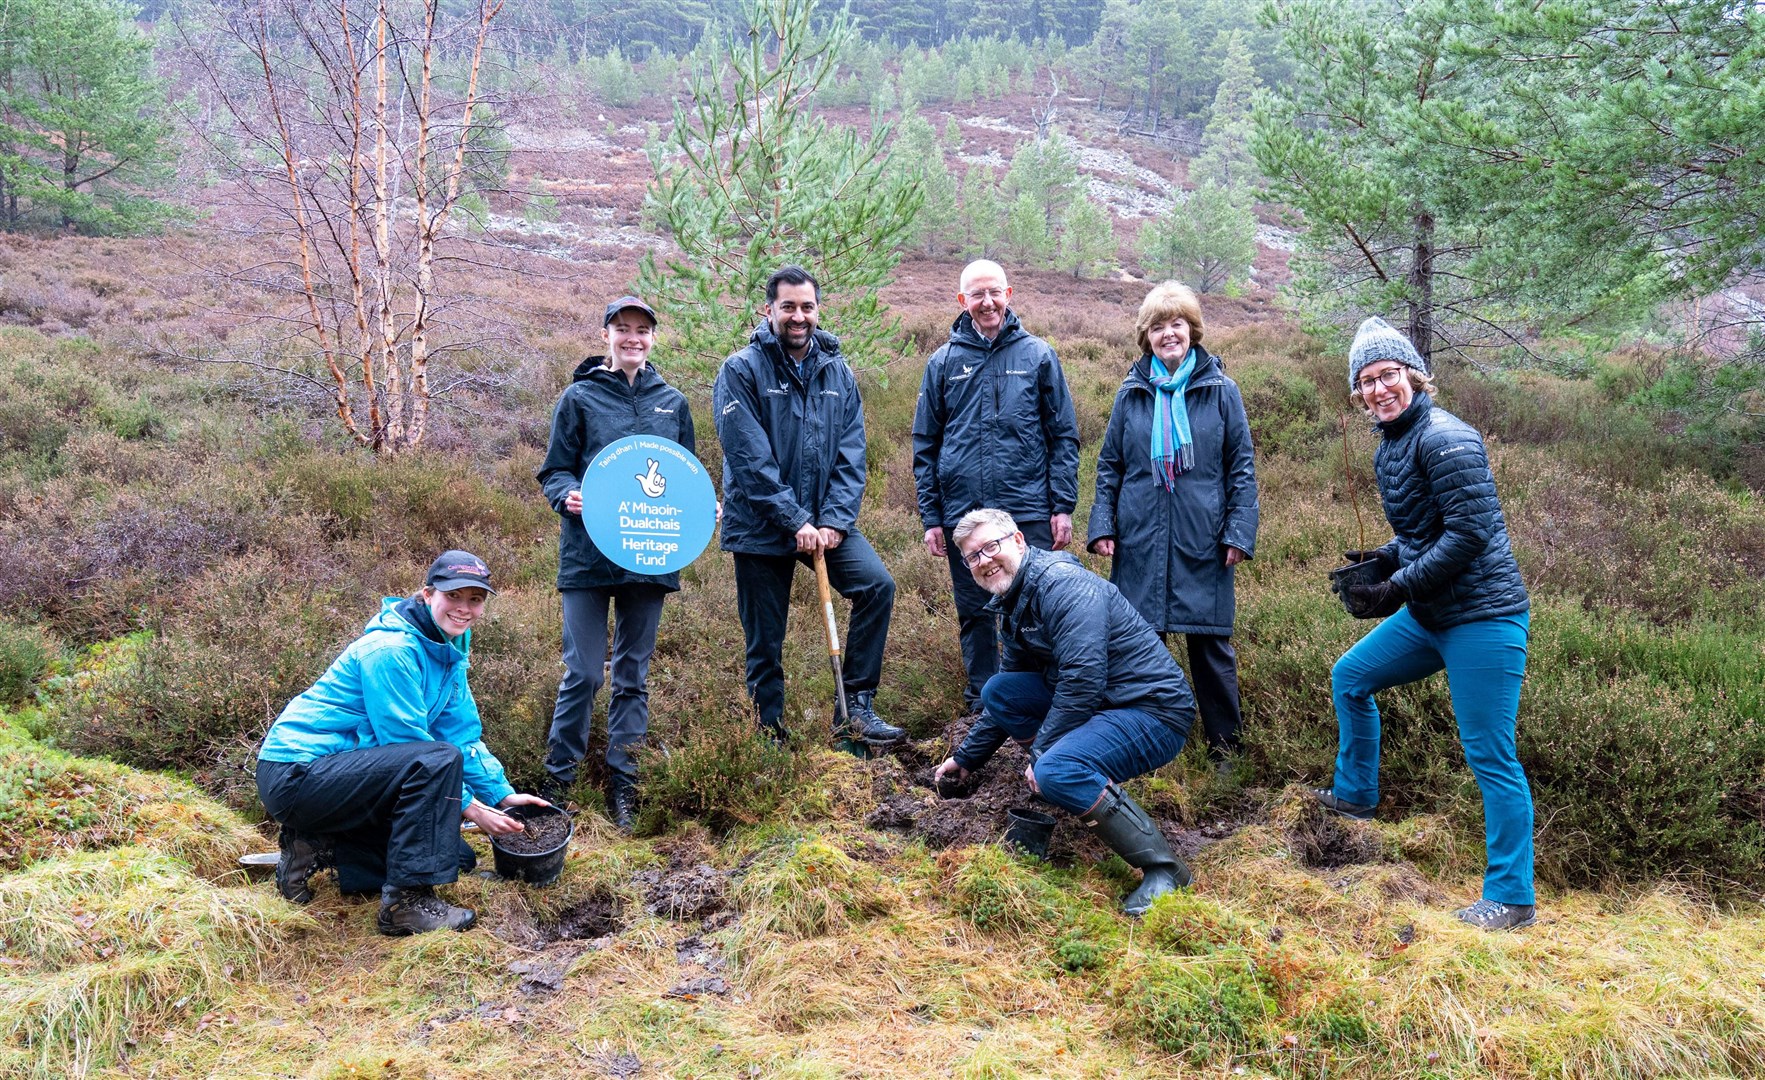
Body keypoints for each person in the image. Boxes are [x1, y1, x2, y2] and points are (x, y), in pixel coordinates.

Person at [1318, 316, 1537, 932]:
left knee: (1491, 754)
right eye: (1366, 381)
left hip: (1484, 618)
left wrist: (1395, 587)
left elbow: (1469, 535)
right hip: (1432, 614)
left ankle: (1512, 897)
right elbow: (1423, 528)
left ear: (1413, 375)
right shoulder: (1392, 441)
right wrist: (1384, 559)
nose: (1379, 389)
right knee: (1351, 677)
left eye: (1388, 375)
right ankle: (1355, 796)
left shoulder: (1448, 438)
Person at [256, 551, 551, 935]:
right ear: (428, 595)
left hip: (340, 776)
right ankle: (405, 905)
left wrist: (500, 794)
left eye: (475, 599)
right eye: (454, 596)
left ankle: (316, 846)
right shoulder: (392, 651)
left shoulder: (448, 650)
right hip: (297, 774)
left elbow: (460, 735)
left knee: (453, 856)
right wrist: (472, 809)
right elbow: (412, 749)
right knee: (435, 765)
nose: (464, 609)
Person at [933, 509, 1196, 916]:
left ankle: (1165, 869)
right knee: (1000, 691)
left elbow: (1083, 679)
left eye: (991, 547)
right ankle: (1068, 778)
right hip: (1104, 705)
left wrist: (1041, 758)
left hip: (1152, 711)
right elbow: (1011, 683)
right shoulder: (1014, 599)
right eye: (972, 556)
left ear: (1018, 541)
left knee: (1056, 768)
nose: (984, 561)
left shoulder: (1063, 586)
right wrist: (967, 757)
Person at [713, 264, 903, 747]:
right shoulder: (740, 370)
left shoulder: (837, 371)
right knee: (765, 638)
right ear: (768, 309)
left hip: (825, 521)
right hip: (761, 526)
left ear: (817, 310)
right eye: (788, 307)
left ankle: (855, 707)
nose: (799, 317)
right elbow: (748, 458)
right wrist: (793, 518)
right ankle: (769, 733)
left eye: (807, 307)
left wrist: (835, 521)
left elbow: (852, 452)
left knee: (877, 587)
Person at [536, 295, 696, 830]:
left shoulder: (672, 402)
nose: (633, 338)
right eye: (623, 328)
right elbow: (554, 471)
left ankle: (625, 787)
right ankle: (559, 783)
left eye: (642, 330)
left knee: (632, 674)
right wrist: (568, 495)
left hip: (649, 557)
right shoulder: (578, 397)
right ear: (605, 334)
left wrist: (701, 508)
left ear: (653, 337)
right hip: (586, 555)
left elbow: (684, 475)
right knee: (582, 672)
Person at [1087, 281, 1258, 763]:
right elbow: (1110, 466)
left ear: (1192, 330)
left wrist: (1238, 533)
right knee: (1139, 648)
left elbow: (1241, 466)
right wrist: (1102, 525)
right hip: (1139, 536)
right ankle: (1142, 746)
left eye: (1177, 324)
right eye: (1158, 327)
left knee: (1211, 649)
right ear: (1146, 336)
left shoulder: (1222, 391)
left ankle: (1226, 753)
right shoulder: (1131, 393)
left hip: (1203, 538)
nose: (1169, 335)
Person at [913, 260, 1081, 714]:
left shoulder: (1038, 355)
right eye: (976, 294)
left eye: (995, 293)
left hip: (1027, 508)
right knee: (975, 613)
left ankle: (1044, 701)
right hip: (963, 514)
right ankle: (983, 705)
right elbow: (925, 444)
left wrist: (1062, 505)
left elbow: (1063, 435)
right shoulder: (943, 362)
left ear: (1009, 293)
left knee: (1040, 607)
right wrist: (932, 518)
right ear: (961, 301)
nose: (987, 303)